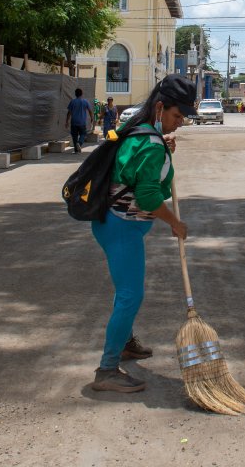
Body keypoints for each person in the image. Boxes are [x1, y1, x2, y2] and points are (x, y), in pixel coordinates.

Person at [90, 75, 192, 394]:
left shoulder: (141, 131)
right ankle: (107, 370)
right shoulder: (150, 143)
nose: (180, 122)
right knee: (131, 295)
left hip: (112, 222)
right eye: (177, 116)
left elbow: (141, 169)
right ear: (160, 108)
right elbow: (148, 197)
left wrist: (165, 147)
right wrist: (174, 222)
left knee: (126, 291)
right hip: (122, 227)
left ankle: (126, 344)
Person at [66, 88, 93, 154]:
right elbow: (90, 111)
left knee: (74, 136)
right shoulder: (85, 101)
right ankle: (79, 143)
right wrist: (92, 118)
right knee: (83, 134)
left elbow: (69, 112)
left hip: (74, 122)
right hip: (82, 122)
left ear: (75, 94)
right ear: (82, 94)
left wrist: (67, 121)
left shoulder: (72, 101)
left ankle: (76, 150)